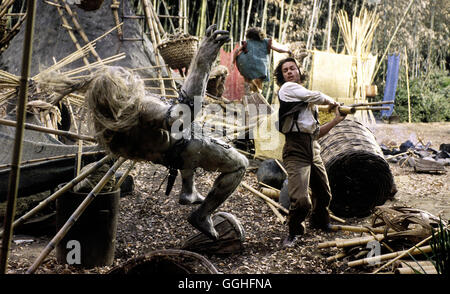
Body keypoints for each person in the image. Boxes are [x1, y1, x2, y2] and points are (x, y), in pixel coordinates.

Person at [85, 25, 249, 241]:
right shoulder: (142, 108)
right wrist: (203, 60)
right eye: (124, 78)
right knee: (240, 164)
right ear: (119, 94)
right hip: (184, 147)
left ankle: (188, 191)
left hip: (168, 152)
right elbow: (184, 114)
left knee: (190, 142)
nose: (129, 76)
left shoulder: (110, 121)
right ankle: (202, 214)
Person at [274, 57, 346, 247]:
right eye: (285, 71)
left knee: (324, 194)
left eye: (292, 69)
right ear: (282, 77)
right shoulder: (287, 89)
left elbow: (316, 133)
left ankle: (320, 221)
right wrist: (332, 102)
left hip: (312, 148)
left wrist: (336, 119)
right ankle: (294, 231)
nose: (289, 72)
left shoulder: (308, 105)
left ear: (299, 71)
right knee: (301, 200)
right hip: (295, 150)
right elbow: (317, 96)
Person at [232, 27, 291, 93]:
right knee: (259, 82)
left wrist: (233, 62)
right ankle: (257, 93)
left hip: (246, 64)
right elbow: (278, 50)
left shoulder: (247, 42)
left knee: (247, 81)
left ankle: (248, 94)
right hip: (260, 66)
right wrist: (287, 51)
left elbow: (236, 51)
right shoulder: (265, 42)